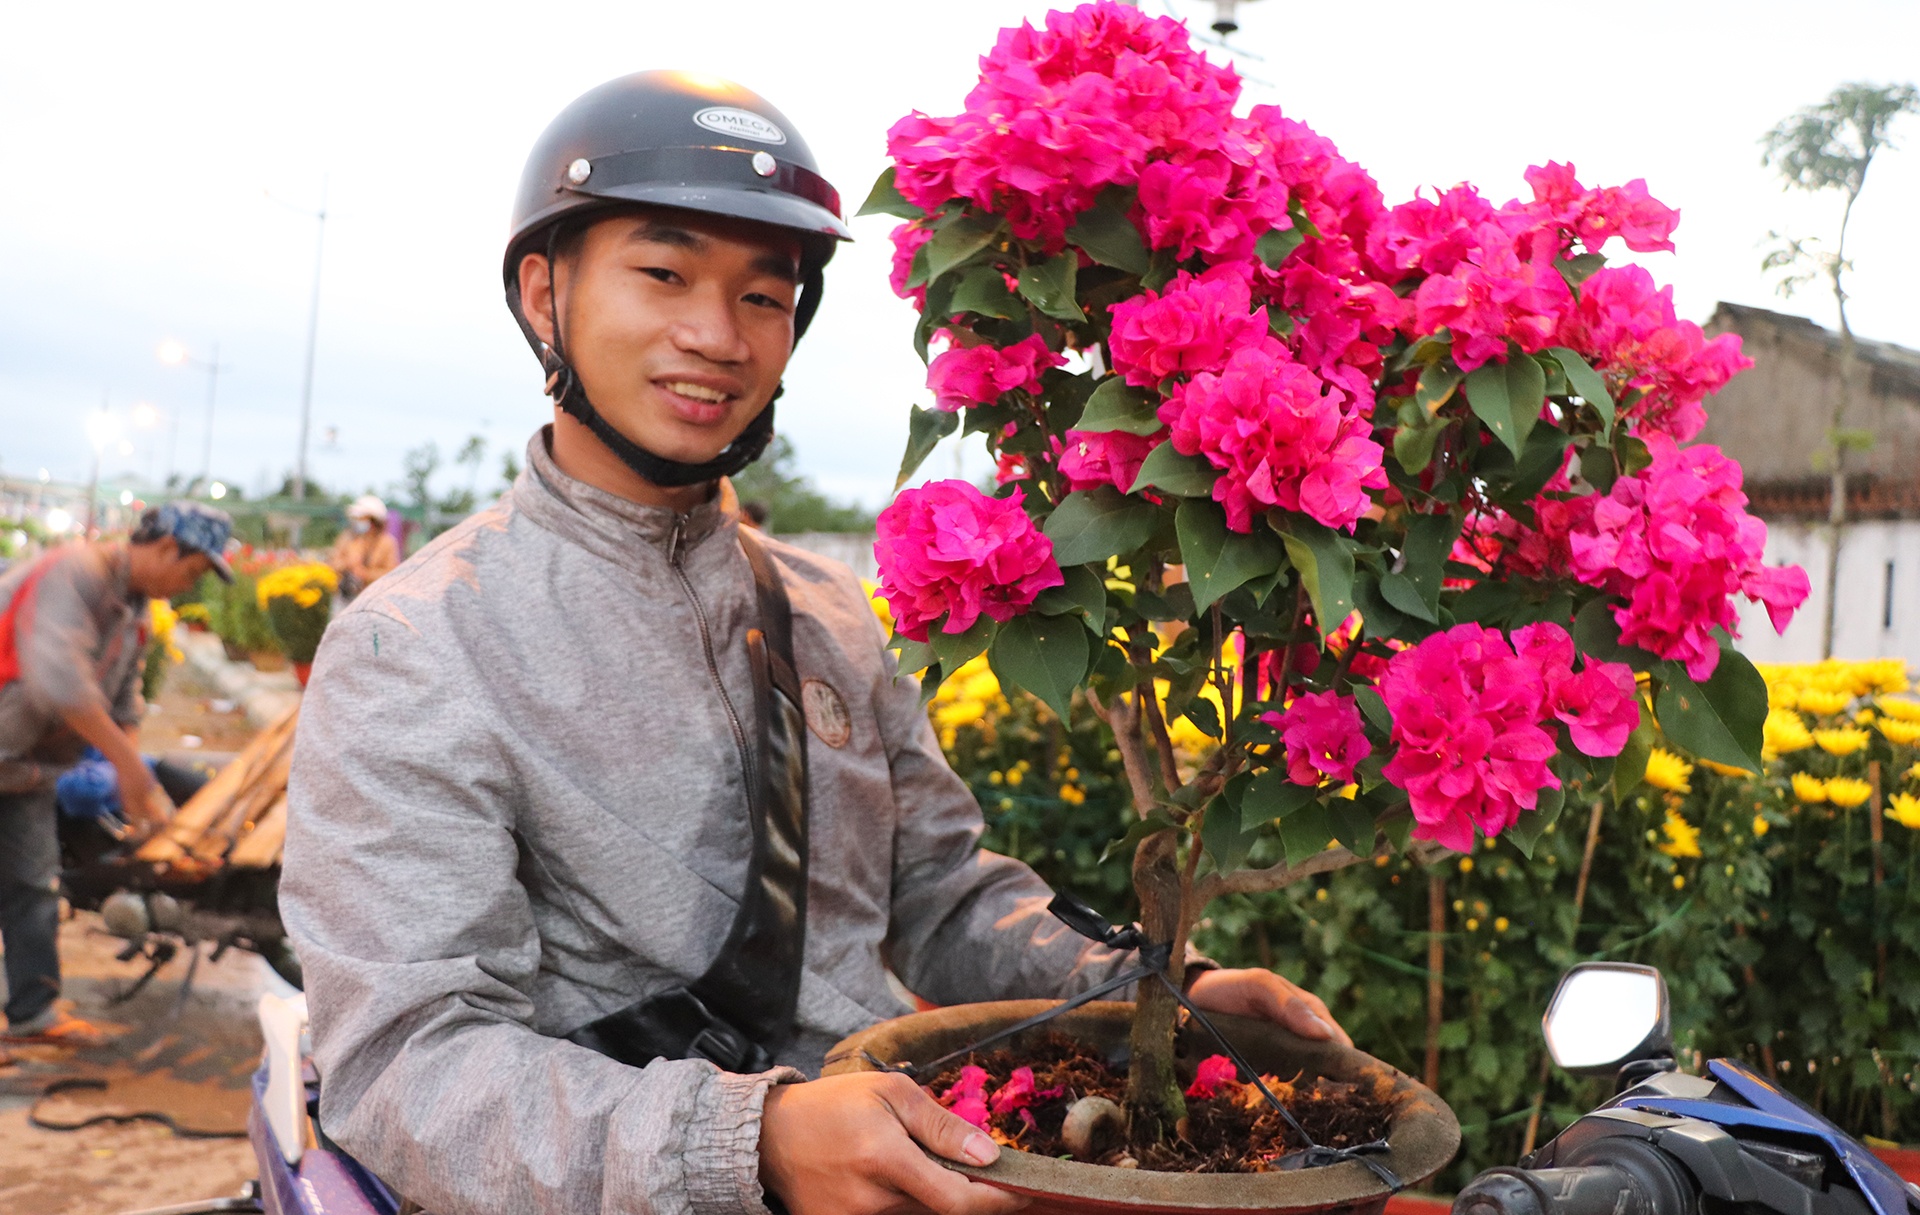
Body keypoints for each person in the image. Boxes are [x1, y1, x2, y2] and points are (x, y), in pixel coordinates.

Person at [281, 72, 1348, 1215]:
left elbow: (938, 893)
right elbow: (410, 1068)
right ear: (544, 293)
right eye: (663, 273)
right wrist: (750, 1144)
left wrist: (1161, 988)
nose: (716, 335)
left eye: (764, 296)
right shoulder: (419, 649)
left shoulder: (829, 610)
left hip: (907, 1162)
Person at [0, 501, 228, 1046]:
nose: (188, 585)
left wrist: (134, 786)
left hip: (24, 767)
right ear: (167, 547)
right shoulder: (76, 571)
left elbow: (124, 701)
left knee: (33, 884)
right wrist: (130, 771)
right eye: (192, 571)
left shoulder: (137, 610)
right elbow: (59, 680)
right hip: (14, 749)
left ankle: (33, 1016)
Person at [327, 495, 399, 599]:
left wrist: (366, 574)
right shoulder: (347, 538)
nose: (357, 521)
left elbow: (392, 573)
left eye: (361, 518)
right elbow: (332, 564)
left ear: (374, 520)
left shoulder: (387, 543)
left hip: (375, 598)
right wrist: (347, 563)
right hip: (345, 596)